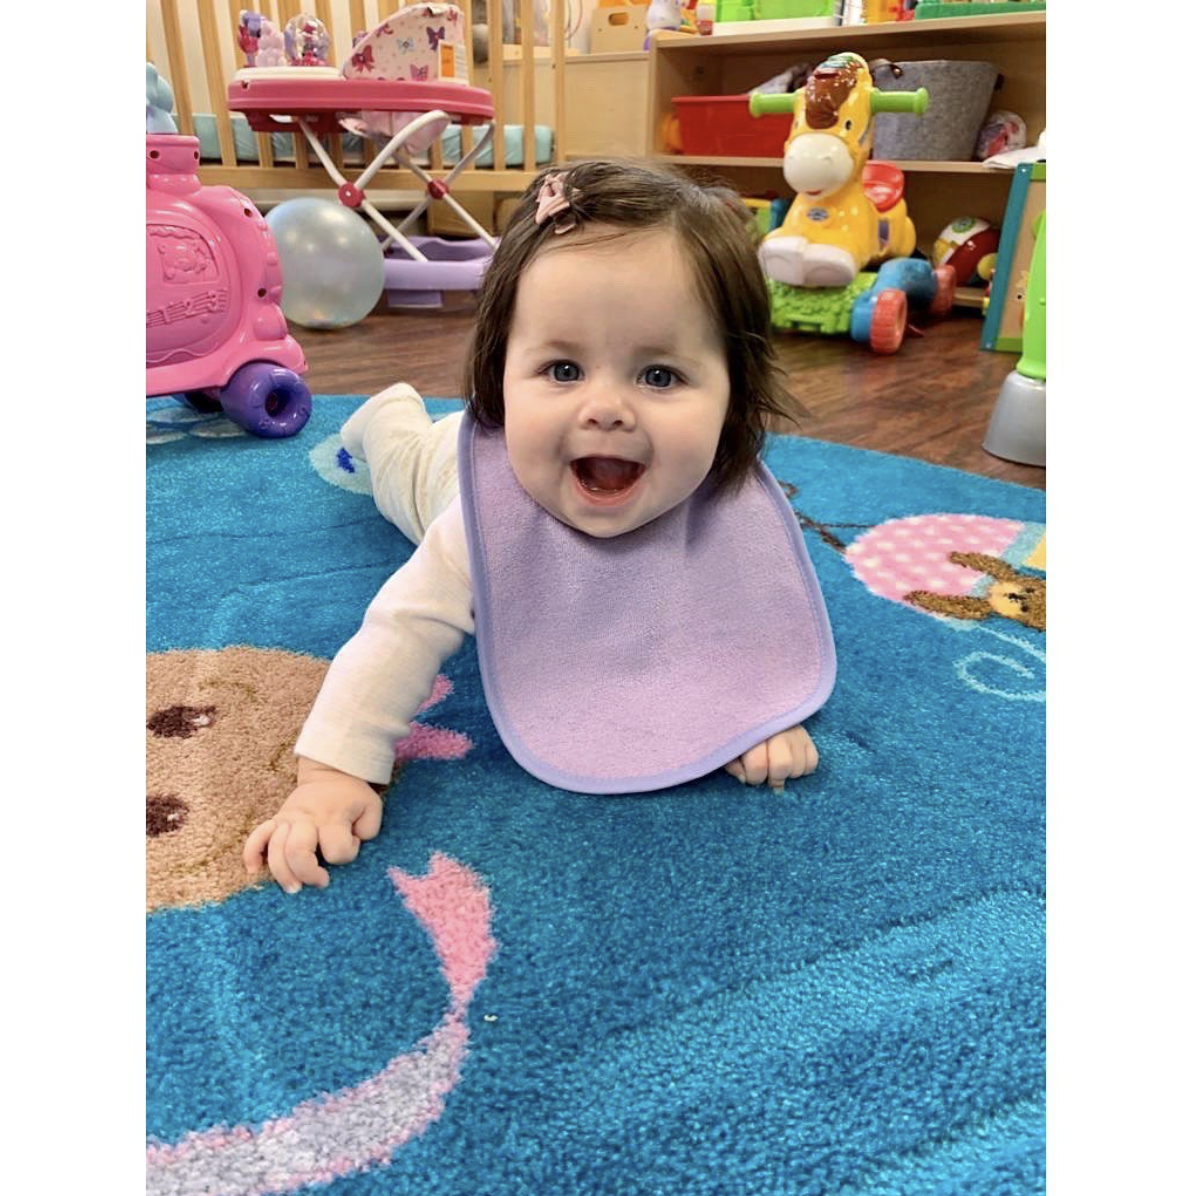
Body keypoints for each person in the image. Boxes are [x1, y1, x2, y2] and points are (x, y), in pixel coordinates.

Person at [244, 159, 836, 894]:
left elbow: (741, 615)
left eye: (659, 376)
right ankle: (386, 412)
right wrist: (332, 773)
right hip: (438, 472)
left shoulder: (724, 501)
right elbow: (398, 631)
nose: (606, 408)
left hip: (548, 449)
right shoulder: (478, 520)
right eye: (562, 369)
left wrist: (754, 711)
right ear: (500, 374)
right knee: (398, 459)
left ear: (734, 397)